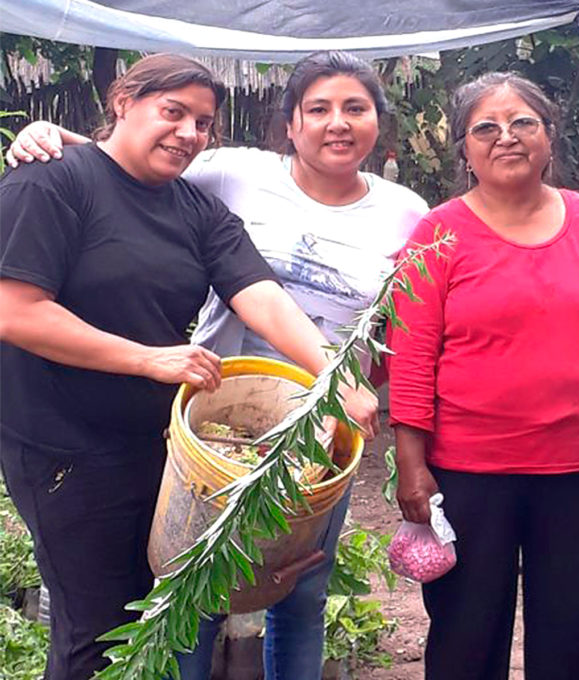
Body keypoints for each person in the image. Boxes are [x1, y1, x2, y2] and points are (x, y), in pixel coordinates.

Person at [8, 50, 428, 680]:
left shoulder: (192, 206)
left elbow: (256, 291)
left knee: (159, 610)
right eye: (172, 112)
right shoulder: (51, 181)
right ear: (123, 102)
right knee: (94, 631)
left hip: (162, 444)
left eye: (202, 123)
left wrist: (335, 381)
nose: (188, 134)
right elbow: (15, 310)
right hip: (65, 448)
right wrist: (148, 359)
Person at [386, 72, 579, 680]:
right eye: (485, 127)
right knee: (467, 633)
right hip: (469, 472)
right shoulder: (437, 234)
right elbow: (409, 358)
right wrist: (411, 463)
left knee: (573, 633)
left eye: (523, 123)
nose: (506, 137)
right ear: (464, 148)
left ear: (548, 135)